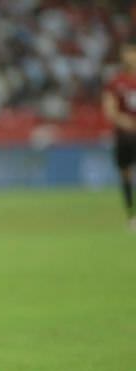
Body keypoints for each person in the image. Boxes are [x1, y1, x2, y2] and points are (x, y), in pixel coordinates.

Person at [102, 37, 136, 230]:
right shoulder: (116, 81)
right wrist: (125, 121)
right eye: (126, 53)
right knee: (126, 173)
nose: (129, 56)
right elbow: (110, 109)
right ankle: (131, 215)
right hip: (125, 136)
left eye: (132, 52)